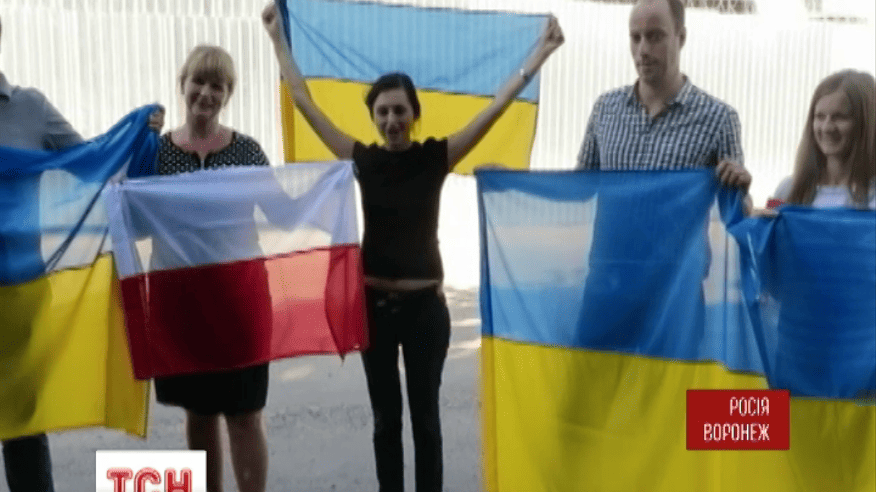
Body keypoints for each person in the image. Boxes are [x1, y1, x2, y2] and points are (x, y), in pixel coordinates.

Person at [262, 4, 563, 491]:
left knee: (426, 422)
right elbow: (304, 101)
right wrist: (278, 38)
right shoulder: (361, 159)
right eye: (382, 112)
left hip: (426, 313)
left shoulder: (436, 156)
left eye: (399, 110)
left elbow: (495, 106)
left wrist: (540, 55)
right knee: (385, 422)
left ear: (414, 114)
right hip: (374, 312)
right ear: (373, 118)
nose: (391, 119)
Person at [0, 15, 162, 492]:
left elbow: (91, 161)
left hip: (20, 295)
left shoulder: (29, 107)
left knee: (23, 430)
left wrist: (137, 134)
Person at [141, 45, 270, 492]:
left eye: (218, 85)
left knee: (245, 414)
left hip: (240, 305)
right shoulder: (157, 153)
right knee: (199, 414)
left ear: (228, 94)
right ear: (183, 84)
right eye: (199, 81)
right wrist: (134, 143)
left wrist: (330, 184)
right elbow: (136, 220)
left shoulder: (248, 151)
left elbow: (282, 210)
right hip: (184, 309)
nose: (206, 93)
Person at [576, 0, 750, 194]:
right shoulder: (605, 109)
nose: (643, 50)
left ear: (681, 38)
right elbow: (580, 190)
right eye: (635, 38)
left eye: (655, 37)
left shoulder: (719, 120)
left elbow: (734, 204)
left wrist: (741, 191)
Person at [769, 70, 875, 209]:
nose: (826, 128)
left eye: (839, 117)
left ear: (866, 123)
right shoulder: (788, 190)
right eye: (820, 116)